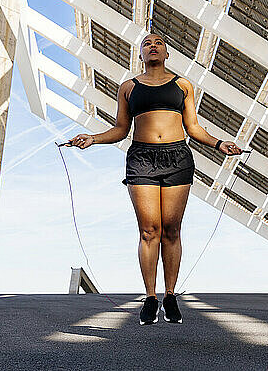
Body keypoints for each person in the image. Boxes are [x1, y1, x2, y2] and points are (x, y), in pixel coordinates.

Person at [66, 33, 243, 325]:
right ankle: (150, 297)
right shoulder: (128, 87)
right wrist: (93, 138)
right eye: (147, 44)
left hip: (177, 157)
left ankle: (170, 295)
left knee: (171, 229)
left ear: (167, 52)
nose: (153, 46)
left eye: (158, 42)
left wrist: (219, 143)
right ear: (140, 54)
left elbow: (194, 127)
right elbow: (121, 129)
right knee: (150, 230)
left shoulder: (183, 85)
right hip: (141, 159)